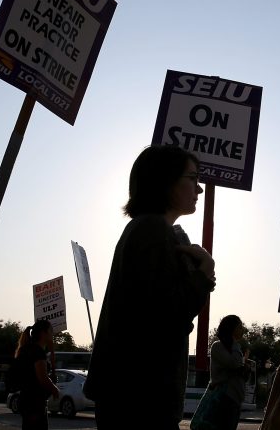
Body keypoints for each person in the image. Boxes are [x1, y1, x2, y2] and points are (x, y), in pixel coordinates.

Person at [83, 144, 216, 430]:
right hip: (140, 394)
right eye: (192, 178)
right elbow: (168, 314)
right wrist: (204, 273)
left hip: (134, 392)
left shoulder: (152, 229)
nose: (199, 188)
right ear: (166, 181)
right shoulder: (152, 229)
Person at [197, 314, 249, 430]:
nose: (243, 330)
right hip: (223, 399)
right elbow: (235, 364)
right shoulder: (218, 346)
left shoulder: (234, 348)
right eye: (240, 327)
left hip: (234, 400)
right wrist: (235, 343)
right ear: (231, 329)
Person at [14, 320, 61, 430]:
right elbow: (42, 378)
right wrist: (54, 389)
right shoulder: (38, 351)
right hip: (34, 402)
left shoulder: (27, 349)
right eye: (51, 331)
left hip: (26, 399)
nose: (52, 334)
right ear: (43, 333)